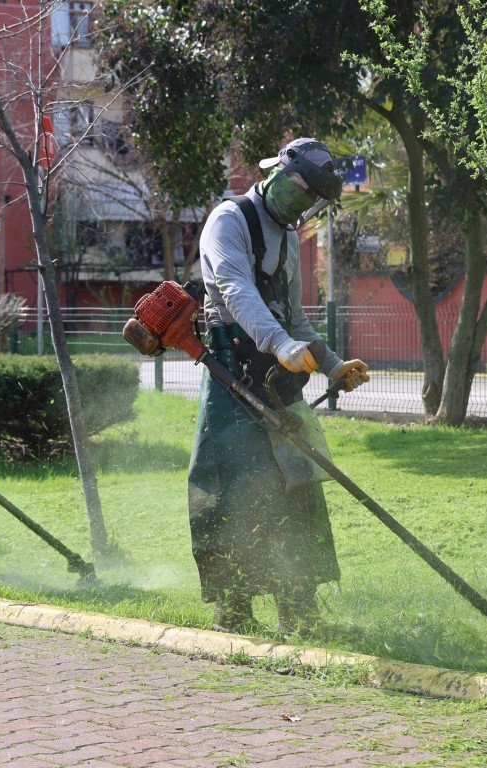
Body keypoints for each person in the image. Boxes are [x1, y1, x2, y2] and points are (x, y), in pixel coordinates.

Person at [189, 138, 370, 635]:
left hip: (277, 372)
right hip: (231, 369)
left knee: (297, 483)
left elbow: (294, 315)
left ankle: (299, 608)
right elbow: (234, 290)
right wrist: (279, 343)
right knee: (234, 488)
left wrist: (331, 364)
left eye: (313, 198)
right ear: (277, 174)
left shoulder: (288, 237)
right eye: (301, 189)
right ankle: (233, 610)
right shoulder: (229, 220)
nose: (304, 203)